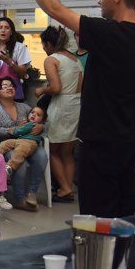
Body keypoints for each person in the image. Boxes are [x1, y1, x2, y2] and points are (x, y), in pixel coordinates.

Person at [22, 0, 135, 217]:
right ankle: (122, 247)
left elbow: (56, 10)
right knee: (122, 208)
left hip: (101, 140)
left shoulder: (108, 33)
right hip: (126, 138)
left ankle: (100, 248)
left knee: (97, 213)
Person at [35, 26, 83, 202]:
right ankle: (67, 189)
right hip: (76, 104)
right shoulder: (75, 59)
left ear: (48, 43)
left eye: (43, 44)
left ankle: (64, 188)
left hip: (61, 106)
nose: (43, 48)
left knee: (52, 149)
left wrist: (42, 90)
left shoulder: (52, 60)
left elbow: (56, 88)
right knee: (67, 152)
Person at [0, 77, 47, 212]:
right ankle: (19, 198)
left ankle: (31, 193)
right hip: (7, 143)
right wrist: (12, 130)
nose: (9, 88)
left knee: (42, 156)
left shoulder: (24, 107)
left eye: (11, 85)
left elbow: (41, 118)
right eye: (5, 86)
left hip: (29, 142)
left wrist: (41, 127)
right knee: (19, 162)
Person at [0, 106, 47, 187]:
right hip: (20, 140)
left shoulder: (32, 124)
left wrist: (12, 130)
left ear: (42, 120)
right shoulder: (27, 123)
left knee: (20, 151)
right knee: (5, 143)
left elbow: (19, 131)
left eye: (38, 115)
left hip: (29, 143)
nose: (34, 115)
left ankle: (10, 167)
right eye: (32, 112)